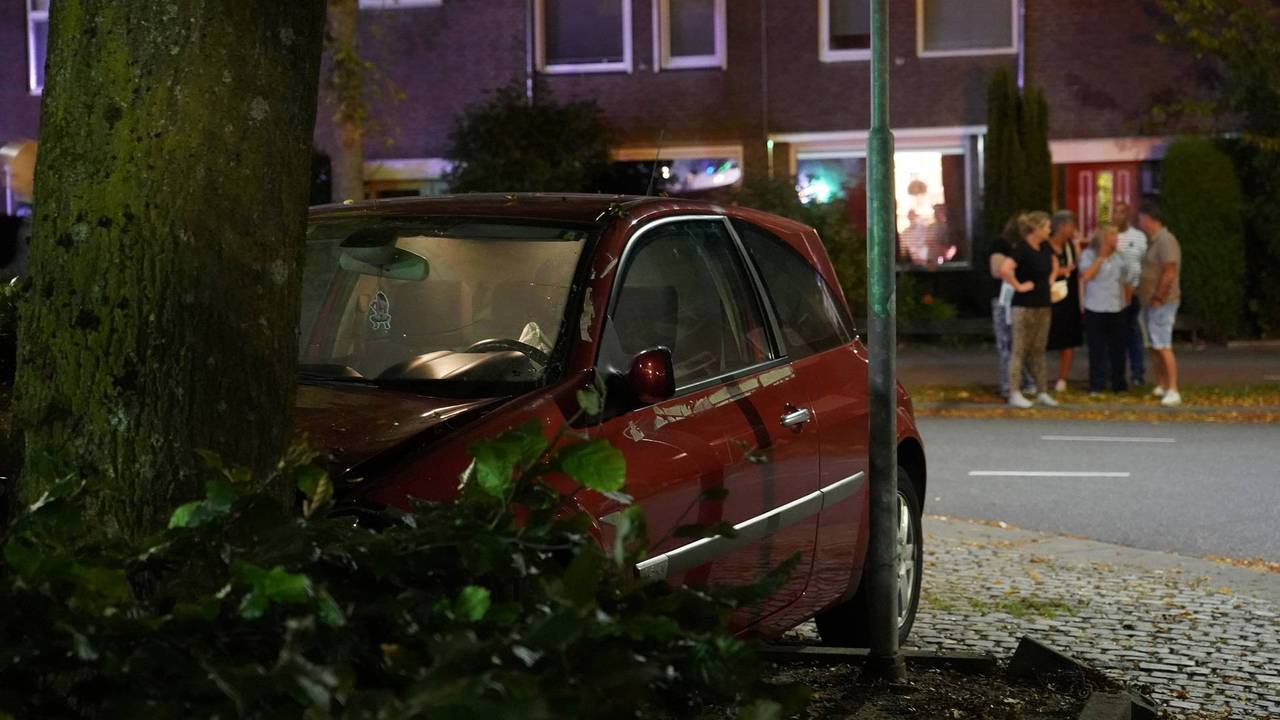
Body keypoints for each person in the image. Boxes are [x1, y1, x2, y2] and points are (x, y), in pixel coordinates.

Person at [999, 211, 1059, 408]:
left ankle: (1042, 390)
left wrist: (1050, 282)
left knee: (1039, 349)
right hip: (1024, 306)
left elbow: (1055, 264)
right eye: (1047, 227)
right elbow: (1005, 269)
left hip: (1043, 303)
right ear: (1036, 229)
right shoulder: (1021, 249)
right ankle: (1014, 392)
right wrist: (1019, 286)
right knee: (1019, 349)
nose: (1050, 230)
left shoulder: (1044, 247)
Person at [1137, 201, 1183, 407]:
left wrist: (1159, 297)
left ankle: (1173, 388)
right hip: (1151, 301)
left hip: (1162, 302)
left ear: (1149, 219)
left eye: (1141, 219)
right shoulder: (1154, 241)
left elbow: (1169, 271)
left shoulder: (1165, 240)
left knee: (1163, 344)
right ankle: (1162, 384)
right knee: (1155, 345)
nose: (1139, 222)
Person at [1079, 224, 1132, 394]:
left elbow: (1126, 280)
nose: (1116, 239)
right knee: (1096, 348)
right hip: (1095, 307)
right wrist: (1100, 258)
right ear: (1103, 238)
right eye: (1112, 236)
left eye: (1116, 236)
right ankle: (1097, 384)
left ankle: (1119, 383)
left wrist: (1127, 301)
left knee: (1118, 348)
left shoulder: (1120, 257)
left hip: (1116, 307)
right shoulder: (1088, 255)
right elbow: (1086, 276)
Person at [990, 213, 1034, 397]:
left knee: (1024, 343)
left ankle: (1026, 380)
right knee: (1006, 343)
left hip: (1024, 299)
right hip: (1004, 299)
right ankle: (1009, 384)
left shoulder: (1027, 247)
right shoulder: (1002, 245)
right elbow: (997, 270)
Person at [1046, 210, 1083, 392]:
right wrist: (1061, 271)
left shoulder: (1070, 246)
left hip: (1068, 297)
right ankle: (1041, 376)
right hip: (1047, 297)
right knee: (1044, 336)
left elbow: (1078, 268)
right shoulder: (1045, 246)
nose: (1073, 229)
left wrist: (1077, 251)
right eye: (1071, 226)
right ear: (1061, 226)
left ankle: (1063, 378)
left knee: (1068, 338)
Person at [1114, 201, 1148, 385]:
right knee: (1115, 336)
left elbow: (1143, 262)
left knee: (1133, 334)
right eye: (1115, 212)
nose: (1117, 216)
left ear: (1128, 215)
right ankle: (1116, 374)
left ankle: (1137, 374)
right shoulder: (1109, 236)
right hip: (1112, 295)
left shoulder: (1139, 237)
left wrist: (1138, 286)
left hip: (1133, 292)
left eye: (1121, 212)